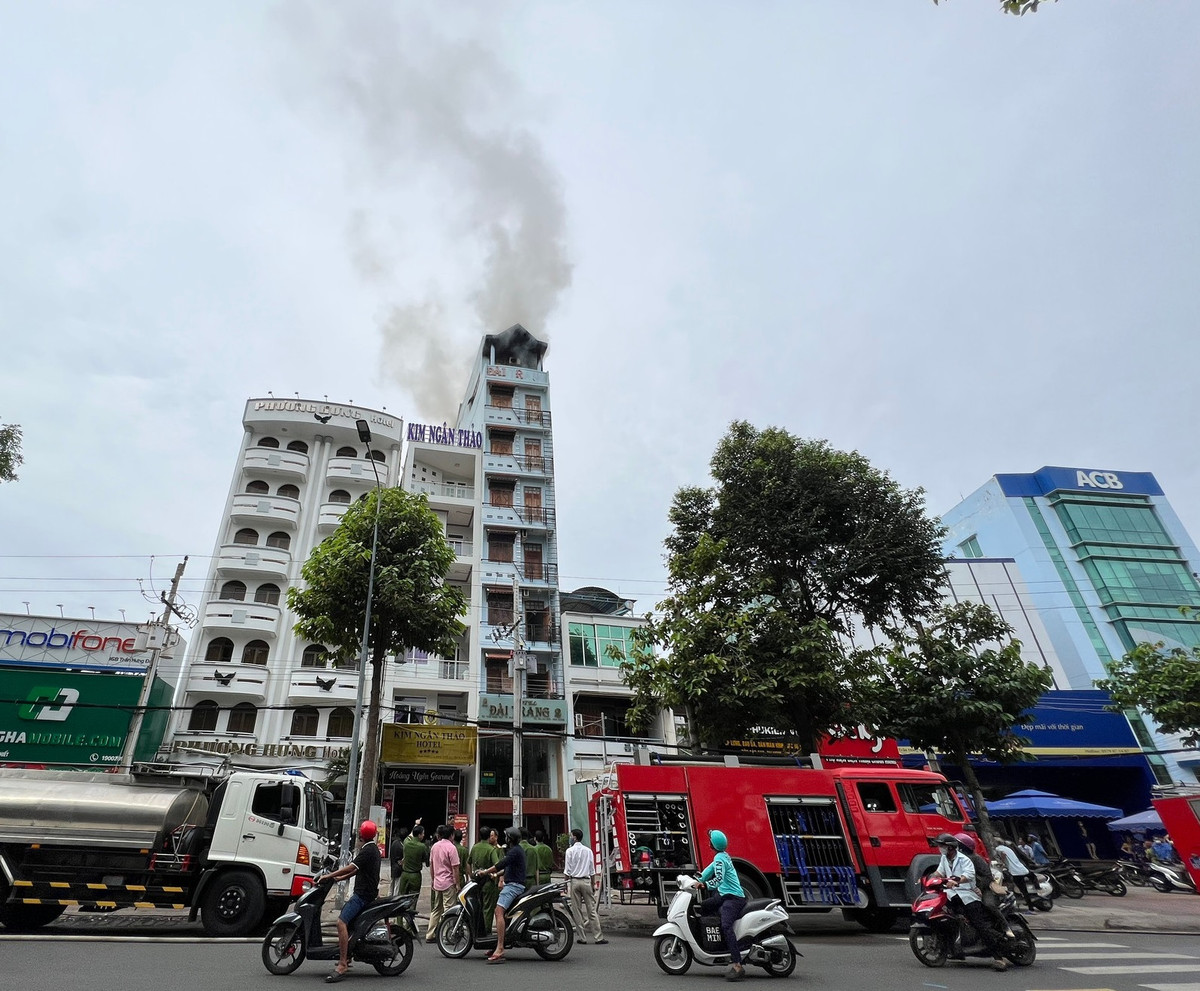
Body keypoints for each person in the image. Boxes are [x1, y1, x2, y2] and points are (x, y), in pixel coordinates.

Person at [932, 832, 1008, 972]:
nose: (939, 848)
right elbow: (939, 872)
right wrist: (930, 878)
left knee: (980, 924)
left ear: (951, 847)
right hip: (952, 894)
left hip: (968, 894)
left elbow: (969, 875)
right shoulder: (944, 858)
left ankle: (999, 958)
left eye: (942, 846)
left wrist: (958, 881)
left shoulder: (967, 859)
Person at [321, 821, 381, 983]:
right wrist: (340, 878)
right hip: (367, 893)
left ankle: (342, 963)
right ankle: (347, 956)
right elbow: (357, 870)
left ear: (361, 835)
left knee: (341, 923)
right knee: (349, 925)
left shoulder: (367, 850)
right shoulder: (372, 849)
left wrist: (329, 876)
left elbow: (351, 867)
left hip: (362, 895)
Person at [699, 829, 748, 982]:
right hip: (724, 894)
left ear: (713, 844)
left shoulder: (721, 858)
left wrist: (704, 885)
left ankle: (737, 964)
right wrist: (697, 878)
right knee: (704, 906)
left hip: (733, 898)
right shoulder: (721, 856)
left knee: (726, 925)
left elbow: (718, 879)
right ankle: (715, 941)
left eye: (710, 840)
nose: (708, 841)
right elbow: (710, 869)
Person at [479, 826, 527, 963]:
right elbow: (507, 868)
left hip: (513, 886)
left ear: (509, 838)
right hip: (514, 884)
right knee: (505, 915)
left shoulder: (514, 852)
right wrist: (496, 875)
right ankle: (498, 944)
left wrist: (485, 872)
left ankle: (499, 948)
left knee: (498, 912)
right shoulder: (517, 851)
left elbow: (501, 864)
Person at [563, 827, 607, 944]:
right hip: (586, 881)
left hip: (574, 882)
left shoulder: (569, 851)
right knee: (591, 910)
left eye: (571, 836)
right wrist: (593, 884)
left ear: (575, 837)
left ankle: (582, 938)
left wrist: (564, 884)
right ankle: (599, 937)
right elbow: (592, 870)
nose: (570, 838)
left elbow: (567, 870)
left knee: (577, 910)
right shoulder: (588, 851)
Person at [426, 824, 461, 942]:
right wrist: (457, 884)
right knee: (449, 909)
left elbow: (431, 865)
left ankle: (430, 934)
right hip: (448, 882)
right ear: (451, 835)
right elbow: (455, 868)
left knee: (436, 909)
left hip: (437, 882)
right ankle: (447, 935)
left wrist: (433, 879)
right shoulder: (452, 848)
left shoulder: (434, 846)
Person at [468, 825, 502, 933]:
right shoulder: (491, 850)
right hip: (488, 883)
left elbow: (468, 863)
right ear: (489, 836)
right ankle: (486, 931)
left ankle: (478, 930)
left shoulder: (474, 847)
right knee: (488, 909)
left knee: (478, 906)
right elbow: (497, 866)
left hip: (476, 882)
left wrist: (471, 876)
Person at [993, 839, 1036, 910]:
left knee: (1021, 889)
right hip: (1022, 869)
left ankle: (1030, 908)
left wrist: (1002, 863)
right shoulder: (1008, 848)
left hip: (1015, 872)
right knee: (1024, 890)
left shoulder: (998, 848)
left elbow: (1003, 854)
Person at [398, 823, 428, 897]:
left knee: (401, 897)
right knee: (413, 898)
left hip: (404, 875)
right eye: (423, 833)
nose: (423, 835)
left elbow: (410, 835)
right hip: (415, 875)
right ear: (419, 835)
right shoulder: (422, 846)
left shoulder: (406, 842)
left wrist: (415, 824)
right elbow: (425, 859)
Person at [389, 824, 411, 896]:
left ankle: (389, 900)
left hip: (393, 867)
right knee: (397, 888)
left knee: (391, 887)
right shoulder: (402, 847)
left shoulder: (394, 843)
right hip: (399, 869)